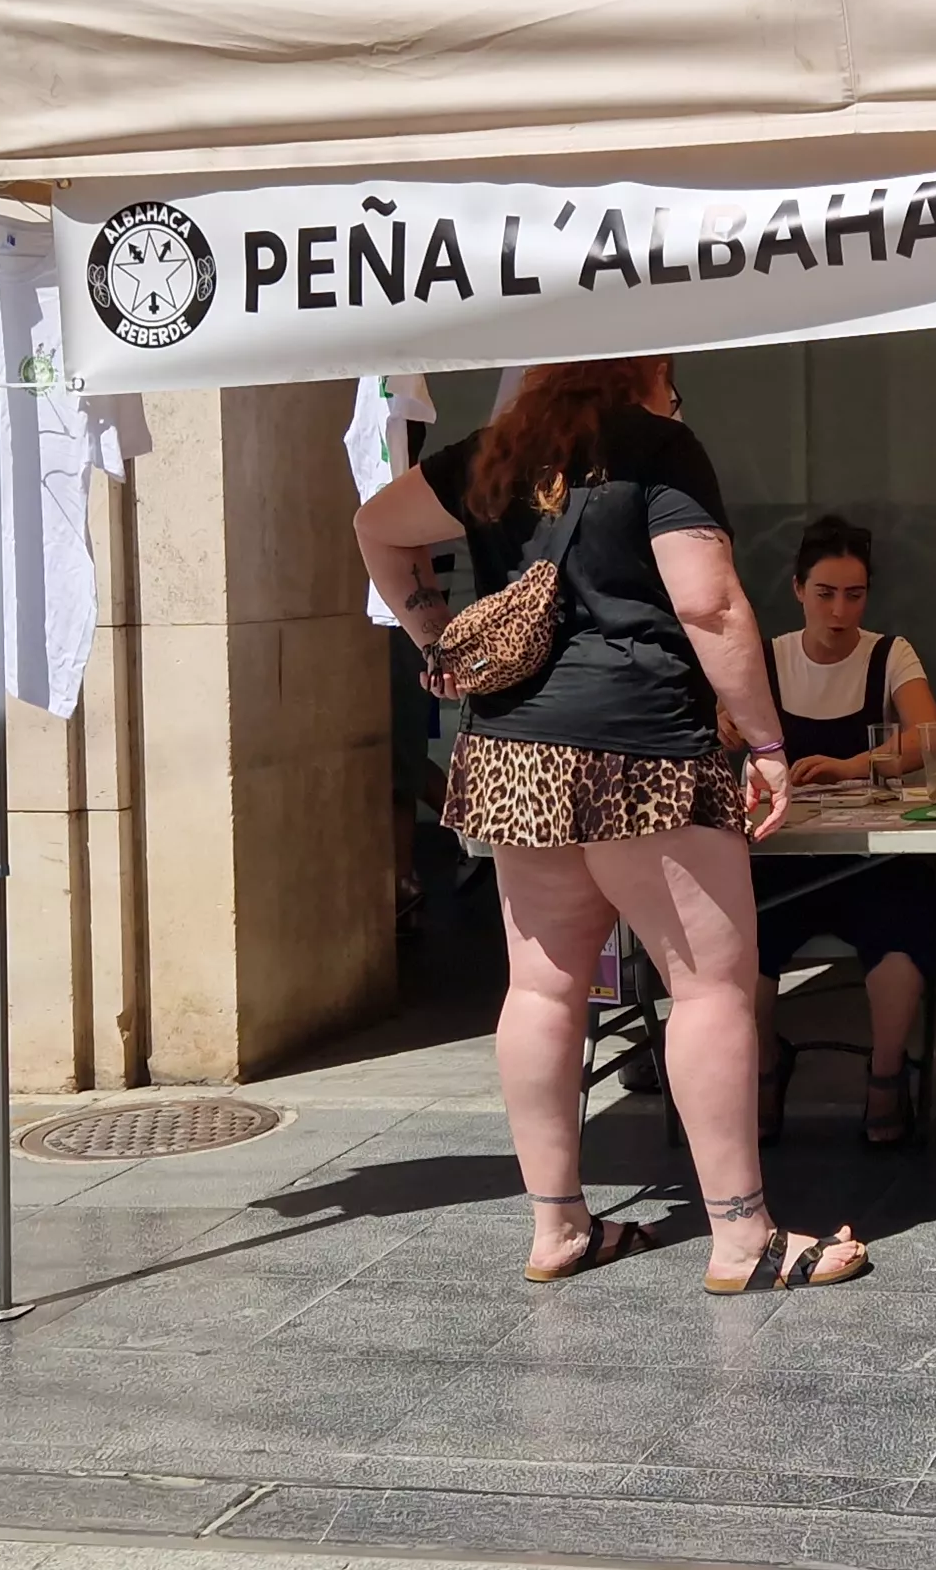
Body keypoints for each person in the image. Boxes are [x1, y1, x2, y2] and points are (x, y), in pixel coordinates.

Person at [353, 356, 869, 1293]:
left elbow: (377, 526)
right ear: (650, 370)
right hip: (644, 744)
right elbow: (707, 602)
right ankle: (742, 1237)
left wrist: (439, 637)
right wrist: (763, 739)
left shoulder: (497, 452)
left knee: (543, 989)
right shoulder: (658, 448)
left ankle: (559, 1227)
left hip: (516, 745)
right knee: (708, 985)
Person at [749, 514, 936, 1147]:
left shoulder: (889, 652)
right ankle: (762, 1068)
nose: (840, 609)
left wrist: (853, 767)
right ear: (798, 589)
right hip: (782, 854)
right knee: (738, 947)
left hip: (869, 855)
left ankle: (885, 1076)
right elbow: (717, 726)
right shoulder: (766, 657)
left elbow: (929, 739)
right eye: (826, 593)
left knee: (901, 935)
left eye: (854, 594)